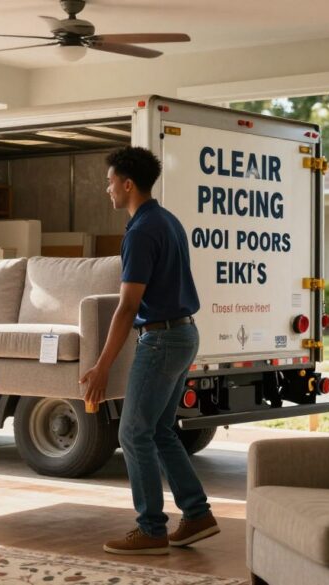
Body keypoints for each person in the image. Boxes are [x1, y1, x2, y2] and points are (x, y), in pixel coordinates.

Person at [80, 147, 219, 555]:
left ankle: (151, 529)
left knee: (132, 432)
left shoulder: (140, 232)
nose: (107, 189)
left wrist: (102, 364)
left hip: (160, 340)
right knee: (158, 430)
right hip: (183, 335)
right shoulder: (167, 220)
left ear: (127, 183)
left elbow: (127, 306)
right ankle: (196, 515)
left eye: (110, 181)